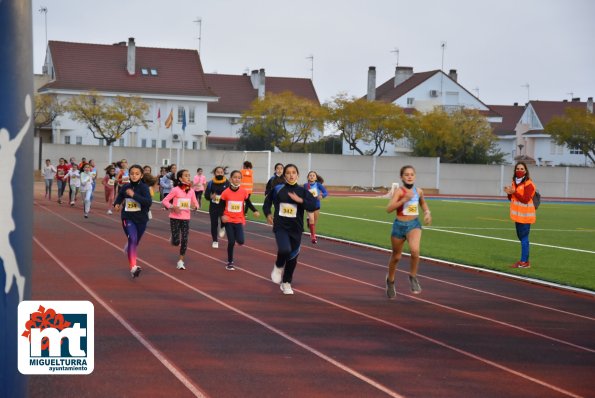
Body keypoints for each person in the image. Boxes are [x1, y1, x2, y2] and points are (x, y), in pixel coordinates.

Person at [263, 164, 317, 295]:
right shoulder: (278, 189)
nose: (291, 175)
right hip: (281, 226)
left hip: (296, 229)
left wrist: (300, 200)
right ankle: (278, 265)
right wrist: (268, 214)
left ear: (297, 175)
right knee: (284, 249)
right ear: (284, 175)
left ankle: (286, 282)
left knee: (292, 257)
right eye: (288, 173)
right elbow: (267, 203)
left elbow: (313, 205)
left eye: (294, 172)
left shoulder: (303, 192)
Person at [385, 165, 432, 298]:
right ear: (401, 177)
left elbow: (423, 203)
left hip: (414, 225)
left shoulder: (419, 191)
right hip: (399, 225)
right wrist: (404, 200)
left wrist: (427, 213)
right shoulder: (399, 192)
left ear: (415, 176)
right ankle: (391, 281)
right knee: (396, 257)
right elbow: (389, 209)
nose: (409, 176)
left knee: (415, 251)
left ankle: (412, 276)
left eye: (412, 174)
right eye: (406, 174)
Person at [113, 164, 153, 278]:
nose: (134, 176)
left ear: (141, 176)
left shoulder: (144, 188)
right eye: (132, 174)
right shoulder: (126, 187)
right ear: (129, 175)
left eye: (137, 174)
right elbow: (120, 196)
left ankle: (129, 246)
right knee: (133, 238)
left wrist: (134, 195)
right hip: (128, 217)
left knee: (135, 242)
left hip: (141, 219)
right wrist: (116, 204)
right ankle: (133, 267)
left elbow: (148, 202)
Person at [219, 170, 260, 270]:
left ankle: (227, 230)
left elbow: (248, 202)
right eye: (235, 177)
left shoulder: (243, 192)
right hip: (228, 220)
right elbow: (220, 207)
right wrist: (222, 216)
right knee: (231, 242)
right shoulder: (225, 193)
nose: (237, 179)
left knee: (241, 241)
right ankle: (230, 262)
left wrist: (255, 210)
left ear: (241, 180)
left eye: (239, 178)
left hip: (239, 220)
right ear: (230, 179)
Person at [161, 169, 199, 270]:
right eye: (186, 175)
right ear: (180, 178)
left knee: (185, 239)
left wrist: (195, 206)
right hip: (175, 217)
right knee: (176, 242)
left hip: (186, 218)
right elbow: (165, 201)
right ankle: (174, 237)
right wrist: (173, 207)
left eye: (189, 175)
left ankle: (181, 261)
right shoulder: (175, 190)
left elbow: (196, 203)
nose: (188, 177)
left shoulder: (191, 191)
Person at [503, 161, 537, 269]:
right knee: (521, 238)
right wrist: (509, 192)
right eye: (518, 169)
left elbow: (525, 199)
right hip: (517, 216)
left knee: (524, 238)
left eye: (522, 169)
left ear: (526, 171)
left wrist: (514, 192)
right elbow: (512, 198)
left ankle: (524, 262)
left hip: (526, 216)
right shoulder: (515, 182)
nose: (519, 170)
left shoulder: (529, 184)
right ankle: (525, 261)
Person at [204, 166, 230, 248]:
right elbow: (206, 195)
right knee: (214, 224)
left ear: (223, 173)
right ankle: (215, 241)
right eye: (218, 172)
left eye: (221, 172)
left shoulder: (227, 183)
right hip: (214, 206)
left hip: (224, 206)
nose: (220, 173)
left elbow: (231, 194)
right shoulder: (211, 183)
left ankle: (222, 227)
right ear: (215, 173)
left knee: (223, 221)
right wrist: (211, 196)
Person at [304, 171, 328, 244]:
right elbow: (303, 193)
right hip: (309, 205)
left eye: (313, 175)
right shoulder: (305, 185)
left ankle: (310, 223)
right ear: (308, 177)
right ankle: (313, 236)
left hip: (317, 204)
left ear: (316, 177)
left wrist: (322, 196)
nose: (311, 176)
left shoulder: (318, 185)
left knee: (314, 221)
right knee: (312, 219)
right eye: (310, 175)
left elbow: (326, 192)